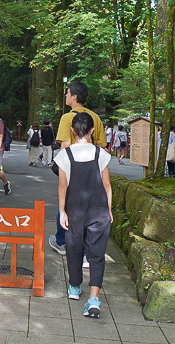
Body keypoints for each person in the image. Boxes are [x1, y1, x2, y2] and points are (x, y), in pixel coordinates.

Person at [55, 112, 112, 318]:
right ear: (92, 130)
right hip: (98, 210)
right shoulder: (101, 154)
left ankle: (75, 286)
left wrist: (62, 211)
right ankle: (94, 298)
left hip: (74, 209)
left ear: (72, 130)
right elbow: (107, 184)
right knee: (96, 253)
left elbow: (63, 185)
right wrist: (110, 209)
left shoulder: (65, 154)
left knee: (74, 248)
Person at [49, 80, 104, 254]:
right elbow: (102, 147)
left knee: (65, 204)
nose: (65, 95)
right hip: (92, 168)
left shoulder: (67, 117)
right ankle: (87, 246)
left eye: (67, 93)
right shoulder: (95, 117)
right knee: (89, 206)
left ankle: (62, 241)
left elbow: (65, 146)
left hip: (72, 168)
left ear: (74, 96)